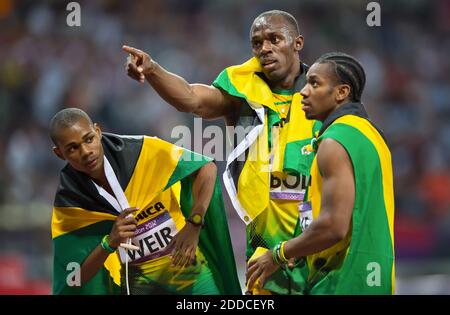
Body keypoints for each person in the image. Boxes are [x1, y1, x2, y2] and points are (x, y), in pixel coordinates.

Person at [123, 10, 321, 294]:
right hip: (264, 247)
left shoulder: (322, 91)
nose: (264, 48)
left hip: (316, 241)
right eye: (256, 43)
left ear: (297, 43)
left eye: (274, 39)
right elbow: (192, 98)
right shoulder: (242, 90)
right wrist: (153, 70)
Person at [246, 52, 395, 294]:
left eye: (315, 83)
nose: (303, 92)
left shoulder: (334, 141)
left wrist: (279, 253)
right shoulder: (372, 135)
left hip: (342, 280)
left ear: (341, 92)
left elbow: (333, 226)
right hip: (375, 277)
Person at [50, 108, 240, 295]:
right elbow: (74, 277)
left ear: (98, 131)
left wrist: (194, 223)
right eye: (73, 148)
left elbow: (206, 167)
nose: (86, 152)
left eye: (89, 139)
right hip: (138, 286)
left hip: (190, 273)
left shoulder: (141, 151)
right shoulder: (69, 201)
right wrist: (109, 243)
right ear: (59, 153)